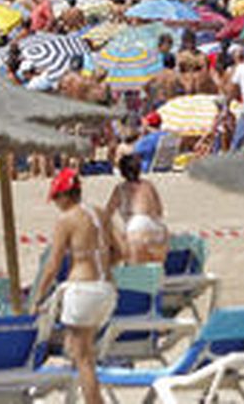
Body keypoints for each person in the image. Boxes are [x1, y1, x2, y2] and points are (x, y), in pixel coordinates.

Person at [32, 168, 120, 404]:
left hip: (83, 290)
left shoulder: (67, 219)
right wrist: (101, 264)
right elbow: (120, 251)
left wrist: (38, 298)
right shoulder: (101, 213)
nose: (56, 204)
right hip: (106, 289)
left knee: (83, 359)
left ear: (64, 195)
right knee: (80, 352)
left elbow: (53, 265)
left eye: (56, 198)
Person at [104, 152, 169, 263]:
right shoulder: (149, 185)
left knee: (130, 261)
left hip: (137, 229)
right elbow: (159, 210)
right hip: (159, 229)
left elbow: (107, 214)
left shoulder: (121, 189)